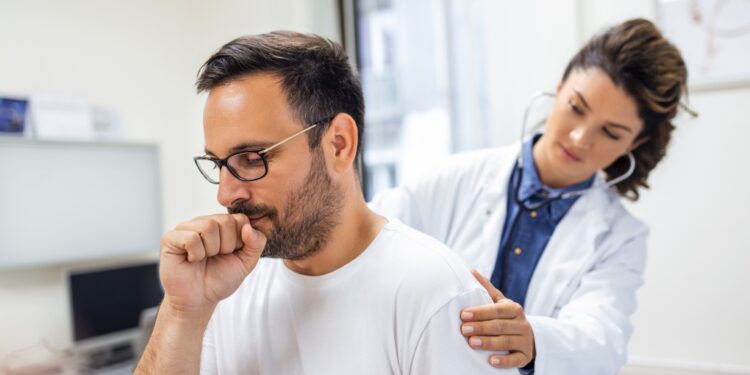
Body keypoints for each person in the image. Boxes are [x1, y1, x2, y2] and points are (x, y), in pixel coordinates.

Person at [134, 31, 516, 374]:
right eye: (220, 164)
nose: (226, 194)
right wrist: (184, 311)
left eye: (252, 158)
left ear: (338, 144)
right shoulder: (226, 289)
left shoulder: (433, 292)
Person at [371, 18, 690, 374]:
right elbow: (368, 232)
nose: (580, 138)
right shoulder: (458, 176)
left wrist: (533, 338)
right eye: (576, 107)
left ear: (635, 143)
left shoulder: (620, 238)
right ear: (558, 88)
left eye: (611, 132)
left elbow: (602, 339)